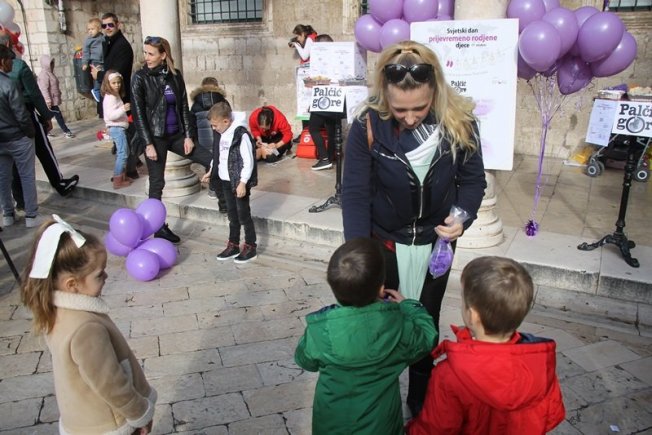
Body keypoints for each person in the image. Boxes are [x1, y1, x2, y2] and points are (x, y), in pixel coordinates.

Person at [341, 40, 487, 416]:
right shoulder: (367, 124)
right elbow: (355, 194)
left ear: (435, 91)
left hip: (436, 244)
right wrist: (362, 261)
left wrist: (462, 217)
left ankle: (420, 399)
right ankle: (382, 398)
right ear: (384, 95)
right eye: (399, 109)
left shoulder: (461, 122)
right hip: (384, 243)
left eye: (419, 108)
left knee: (426, 320)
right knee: (382, 321)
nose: (409, 118)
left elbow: (473, 182)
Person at [20, 215, 157, 434]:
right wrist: (139, 414)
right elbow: (110, 382)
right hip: (111, 421)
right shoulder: (85, 327)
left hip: (83, 419)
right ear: (72, 284)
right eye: (99, 274)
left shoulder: (56, 311)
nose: (106, 276)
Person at [406, 256, 565, 434]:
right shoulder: (540, 362)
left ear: (472, 315)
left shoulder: (450, 376)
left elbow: (435, 429)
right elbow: (552, 414)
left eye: (463, 300)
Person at [294, 237, 437, 435]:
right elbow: (428, 337)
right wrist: (409, 306)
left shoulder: (320, 328)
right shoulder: (398, 327)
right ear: (381, 288)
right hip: (381, 426)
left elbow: (305, 360)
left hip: (331, 425)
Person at [132, 36, 213, 244]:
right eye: (145, 53)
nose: (146, 57)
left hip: (176, 134)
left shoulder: (174, 76)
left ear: (163, 55)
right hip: (155, 137)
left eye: (151, 53)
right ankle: (158, 227)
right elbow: (138, 114)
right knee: (157, 183)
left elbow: (184, 107)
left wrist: (189, 136)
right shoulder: (140, 78)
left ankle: (222, 196)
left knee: (211, 159)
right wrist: (148, 144)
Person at [0, 31, 79, 203]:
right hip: (25, 113)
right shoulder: (19, 66)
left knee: (13, 161)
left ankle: (20, 200)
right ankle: (59, 183)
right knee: (43, 149)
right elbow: (34, 94)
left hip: (5, 120)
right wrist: (46, 116)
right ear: (7, 45)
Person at [201, 102, 258, 263]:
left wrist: (243, 182)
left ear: (226, 121)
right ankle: (233, 244)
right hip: (225, 180)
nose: (213, 129)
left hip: (237, 182)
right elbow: (218, 155)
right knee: (232, 215)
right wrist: (211, 170)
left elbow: (249, 161)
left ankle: (250, 246)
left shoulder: (241, 135)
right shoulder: (221, 133)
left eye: (215, 125)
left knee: (243, 214)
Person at [0, 44, 39, 228]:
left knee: (3, 178)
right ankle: (31, 215)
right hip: (17, 137)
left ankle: (7, 214)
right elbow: (21, 114)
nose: (12, 63)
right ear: (3, 61)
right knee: (27, 176)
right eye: (10, 60)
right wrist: (30, 132)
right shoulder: (9, 84)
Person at [189, 76, 227, 211]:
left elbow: (191, 123)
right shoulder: (222, 102)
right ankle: (222, 190)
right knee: (222, 162)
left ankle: (212, 189)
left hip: (203, 139)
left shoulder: (196, 104)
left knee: (209, 162)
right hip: (219, 137)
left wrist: (193, 139)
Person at [102, 70, 132, 189]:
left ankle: (122, 176)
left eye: (118, 82)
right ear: (108, 84)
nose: (117, 85)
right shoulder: (111, 98)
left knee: (124, 152)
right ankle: (117, 179)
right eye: (114, 83)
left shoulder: (115, 95)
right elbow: (110, 115)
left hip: (119, 127)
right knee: (122, 153)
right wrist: (123, 109)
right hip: (116, 128)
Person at [37, 54, 75, 139]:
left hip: (53, 99)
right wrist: (48, 100)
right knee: (58, 116)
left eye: (52, 63)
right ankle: (66, 131)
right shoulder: (44, 75)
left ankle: (47, 132)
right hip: (50, 100)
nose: (52, 65)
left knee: (49, 117)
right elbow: (44, 89)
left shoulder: (50, 73)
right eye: (50, 63)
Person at [81, 17, 105, 102]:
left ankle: (103, 91)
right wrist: (85, 63)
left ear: (99, 29)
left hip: (104, 61)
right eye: (89, 29)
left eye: (92, 29)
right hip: (95, 62)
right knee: (97, 76)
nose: (90, 31)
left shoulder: (103, 37)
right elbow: (86, 52)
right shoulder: (88, 40)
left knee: (104, 77)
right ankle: (96, 90)